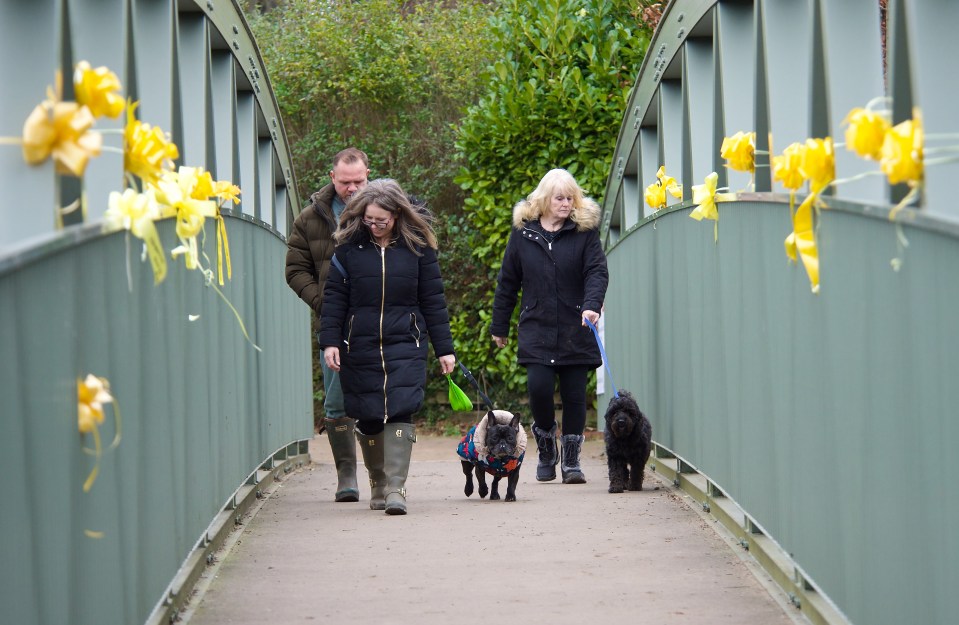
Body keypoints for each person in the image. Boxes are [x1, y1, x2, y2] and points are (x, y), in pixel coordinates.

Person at [320, 178, 456, 515]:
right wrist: (330, 342)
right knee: (367, 414)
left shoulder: (418, 248)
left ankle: (396, 487)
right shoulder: (348, 249)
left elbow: (433, 301)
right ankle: (378, 482)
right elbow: (334, 298)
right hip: (359, 341)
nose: (375, 227)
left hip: (405, 340)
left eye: (382, 220)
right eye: (369, 220)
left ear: (397, 215)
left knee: (401, 406)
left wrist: (444, 349)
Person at [490, 168, 609, 484]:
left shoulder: (584, 234)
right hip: (537, 326)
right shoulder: (523, 235)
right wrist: (499, 326)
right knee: (538, 389)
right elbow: (508, 282)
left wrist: (592, 305)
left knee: (574, 395)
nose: (566, 204)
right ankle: (546, 449)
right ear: (544, 199)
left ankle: (571, 462)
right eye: (560, 198)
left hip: (576, 325)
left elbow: (597, 272)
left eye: (571, 198)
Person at [285, 147, 370, 503]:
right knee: (336, 400)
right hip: (334, 326)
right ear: (332, 177)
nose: (352, 189)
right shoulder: (310, 218)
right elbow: (294, 270)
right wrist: (324, 304)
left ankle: (383, 477)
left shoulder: (389, 210)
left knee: (381, 397)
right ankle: (346, 475)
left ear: (369, 175)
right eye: (346, 182)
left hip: (378, 320)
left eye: (359, 181)